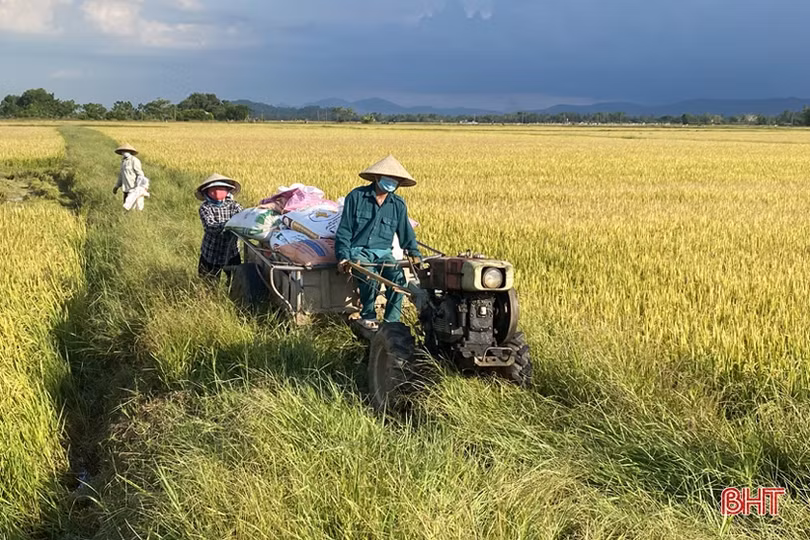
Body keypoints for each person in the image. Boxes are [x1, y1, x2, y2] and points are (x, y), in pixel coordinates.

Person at [335, 155, 422, 331]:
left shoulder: (398, 204)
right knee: (370, 278)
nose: (392, 183)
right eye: (389, 179)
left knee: (398, 281)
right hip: (359, 251)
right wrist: (343, 256)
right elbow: (344, 230)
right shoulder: (357, 197)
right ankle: (368, 315)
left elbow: (406, 232)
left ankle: (392, 322)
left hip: (383, 252)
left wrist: (415, 254)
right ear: (377, 177)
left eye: (395, 180)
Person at [196, 173, 244, 284]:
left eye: (221, 189)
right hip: (211, 252)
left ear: (227, 191)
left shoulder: (234, 205)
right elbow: (210, 226)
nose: (217, 192)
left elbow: (242, 218)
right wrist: (230, 224)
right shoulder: (205, 207)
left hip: (232, 251)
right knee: (208, 282)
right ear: (206, 192)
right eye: (213, 189)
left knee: (234, 281)